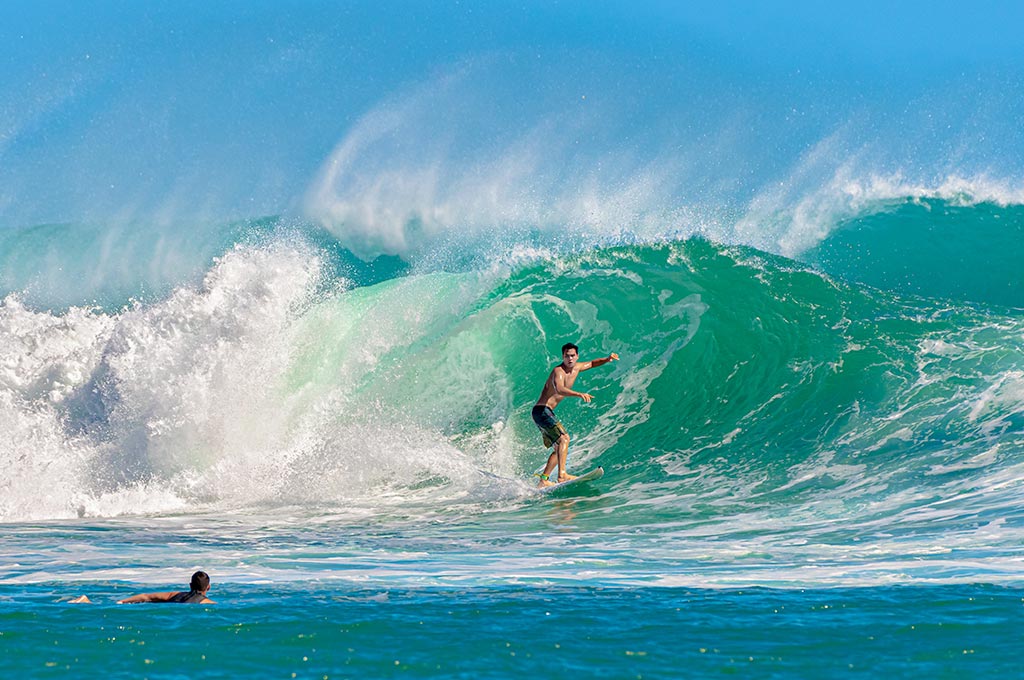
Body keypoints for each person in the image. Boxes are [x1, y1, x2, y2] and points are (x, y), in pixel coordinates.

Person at [532, 343, 618, 487]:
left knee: (559, 448)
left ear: (577, 356)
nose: (570, 359)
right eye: (567, 356)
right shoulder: (558, 371)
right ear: (562, 357)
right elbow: (559, 389)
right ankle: (562, 475)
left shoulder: (577, 367)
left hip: (543, 412)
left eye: (572, 356)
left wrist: (607, 359)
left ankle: (543, 480)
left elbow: (591, 363)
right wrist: (579, 394)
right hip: (542, 410)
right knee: (565, 439)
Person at [117, 570, 215, 604]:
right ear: (208, 587)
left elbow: (146, 596)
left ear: (190, 585)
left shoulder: (174, 595)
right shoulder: (208, 603)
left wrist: (122, 601)